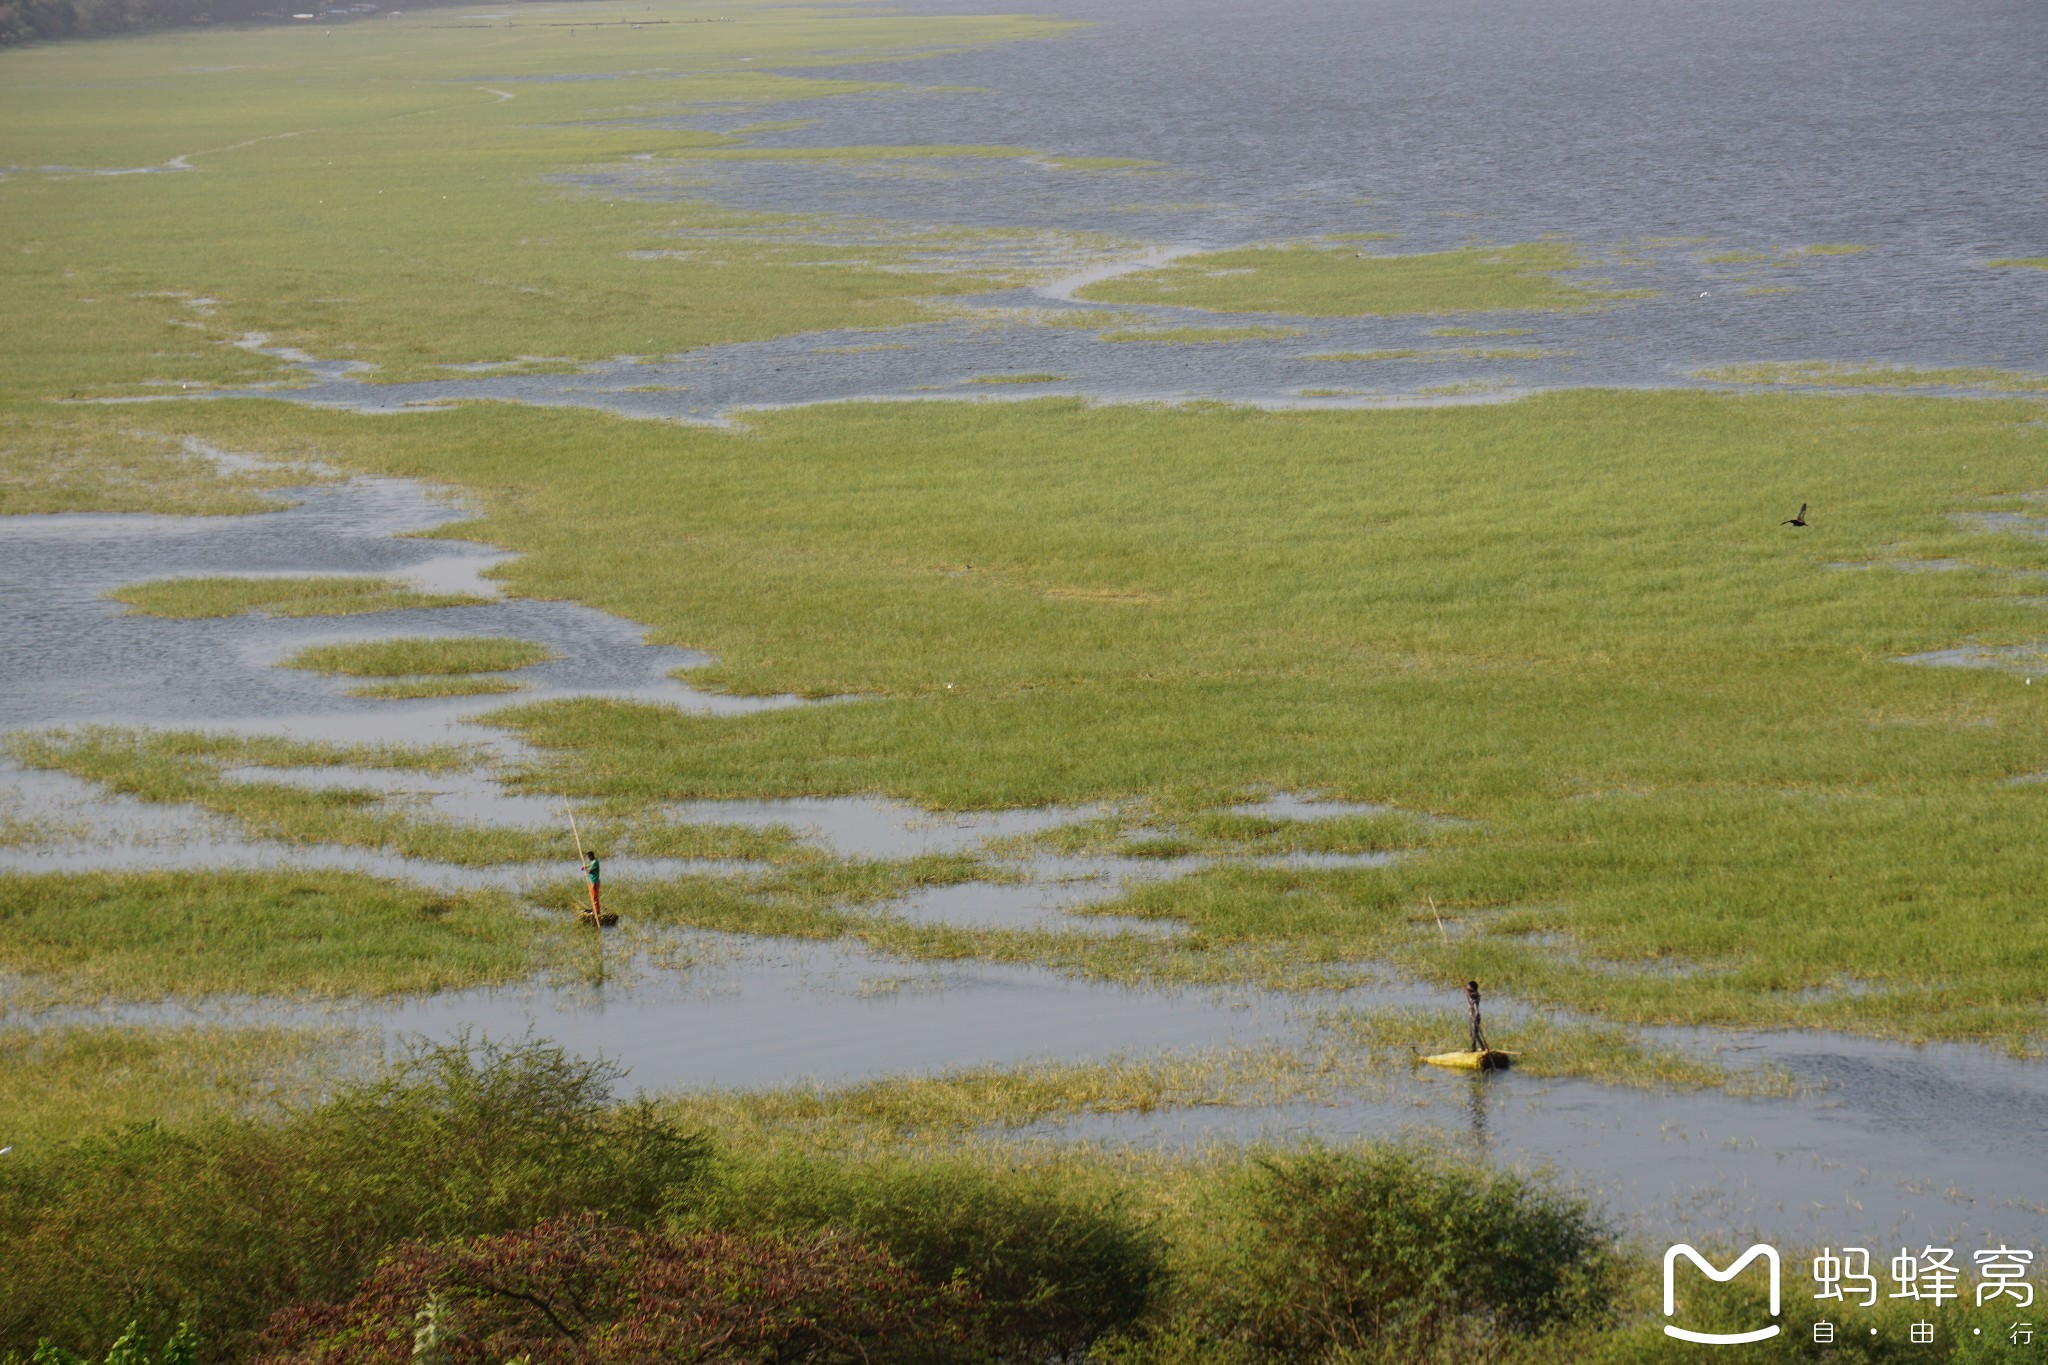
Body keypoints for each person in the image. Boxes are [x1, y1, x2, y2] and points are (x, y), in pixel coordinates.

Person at [1465, 979, 1488, 1053]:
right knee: (1471, 1033)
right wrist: (1467, 991)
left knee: (1475, 1033)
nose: (1467, 987)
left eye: (1469, 986)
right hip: (1471, 1016)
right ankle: (1474, 1048)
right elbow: (1468, 994)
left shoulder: (1476, 994)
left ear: (1472, 988)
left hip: (1475, 1016)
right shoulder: (1471, 993)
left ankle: (1482, 1048)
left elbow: (1472, 996)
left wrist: (1468, 991)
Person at [580, 850, 602, 921]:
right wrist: (585, 866)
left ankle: (596, 911)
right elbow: (589, 865)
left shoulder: (595, 862)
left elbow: (590, 871)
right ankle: (595, 909)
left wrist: (586, 870)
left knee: (594, 897)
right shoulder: (593, 862)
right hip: (592, 881)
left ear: (592, 856)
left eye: (588, 857)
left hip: (594, 882)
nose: (588, 858)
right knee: (593, 896)